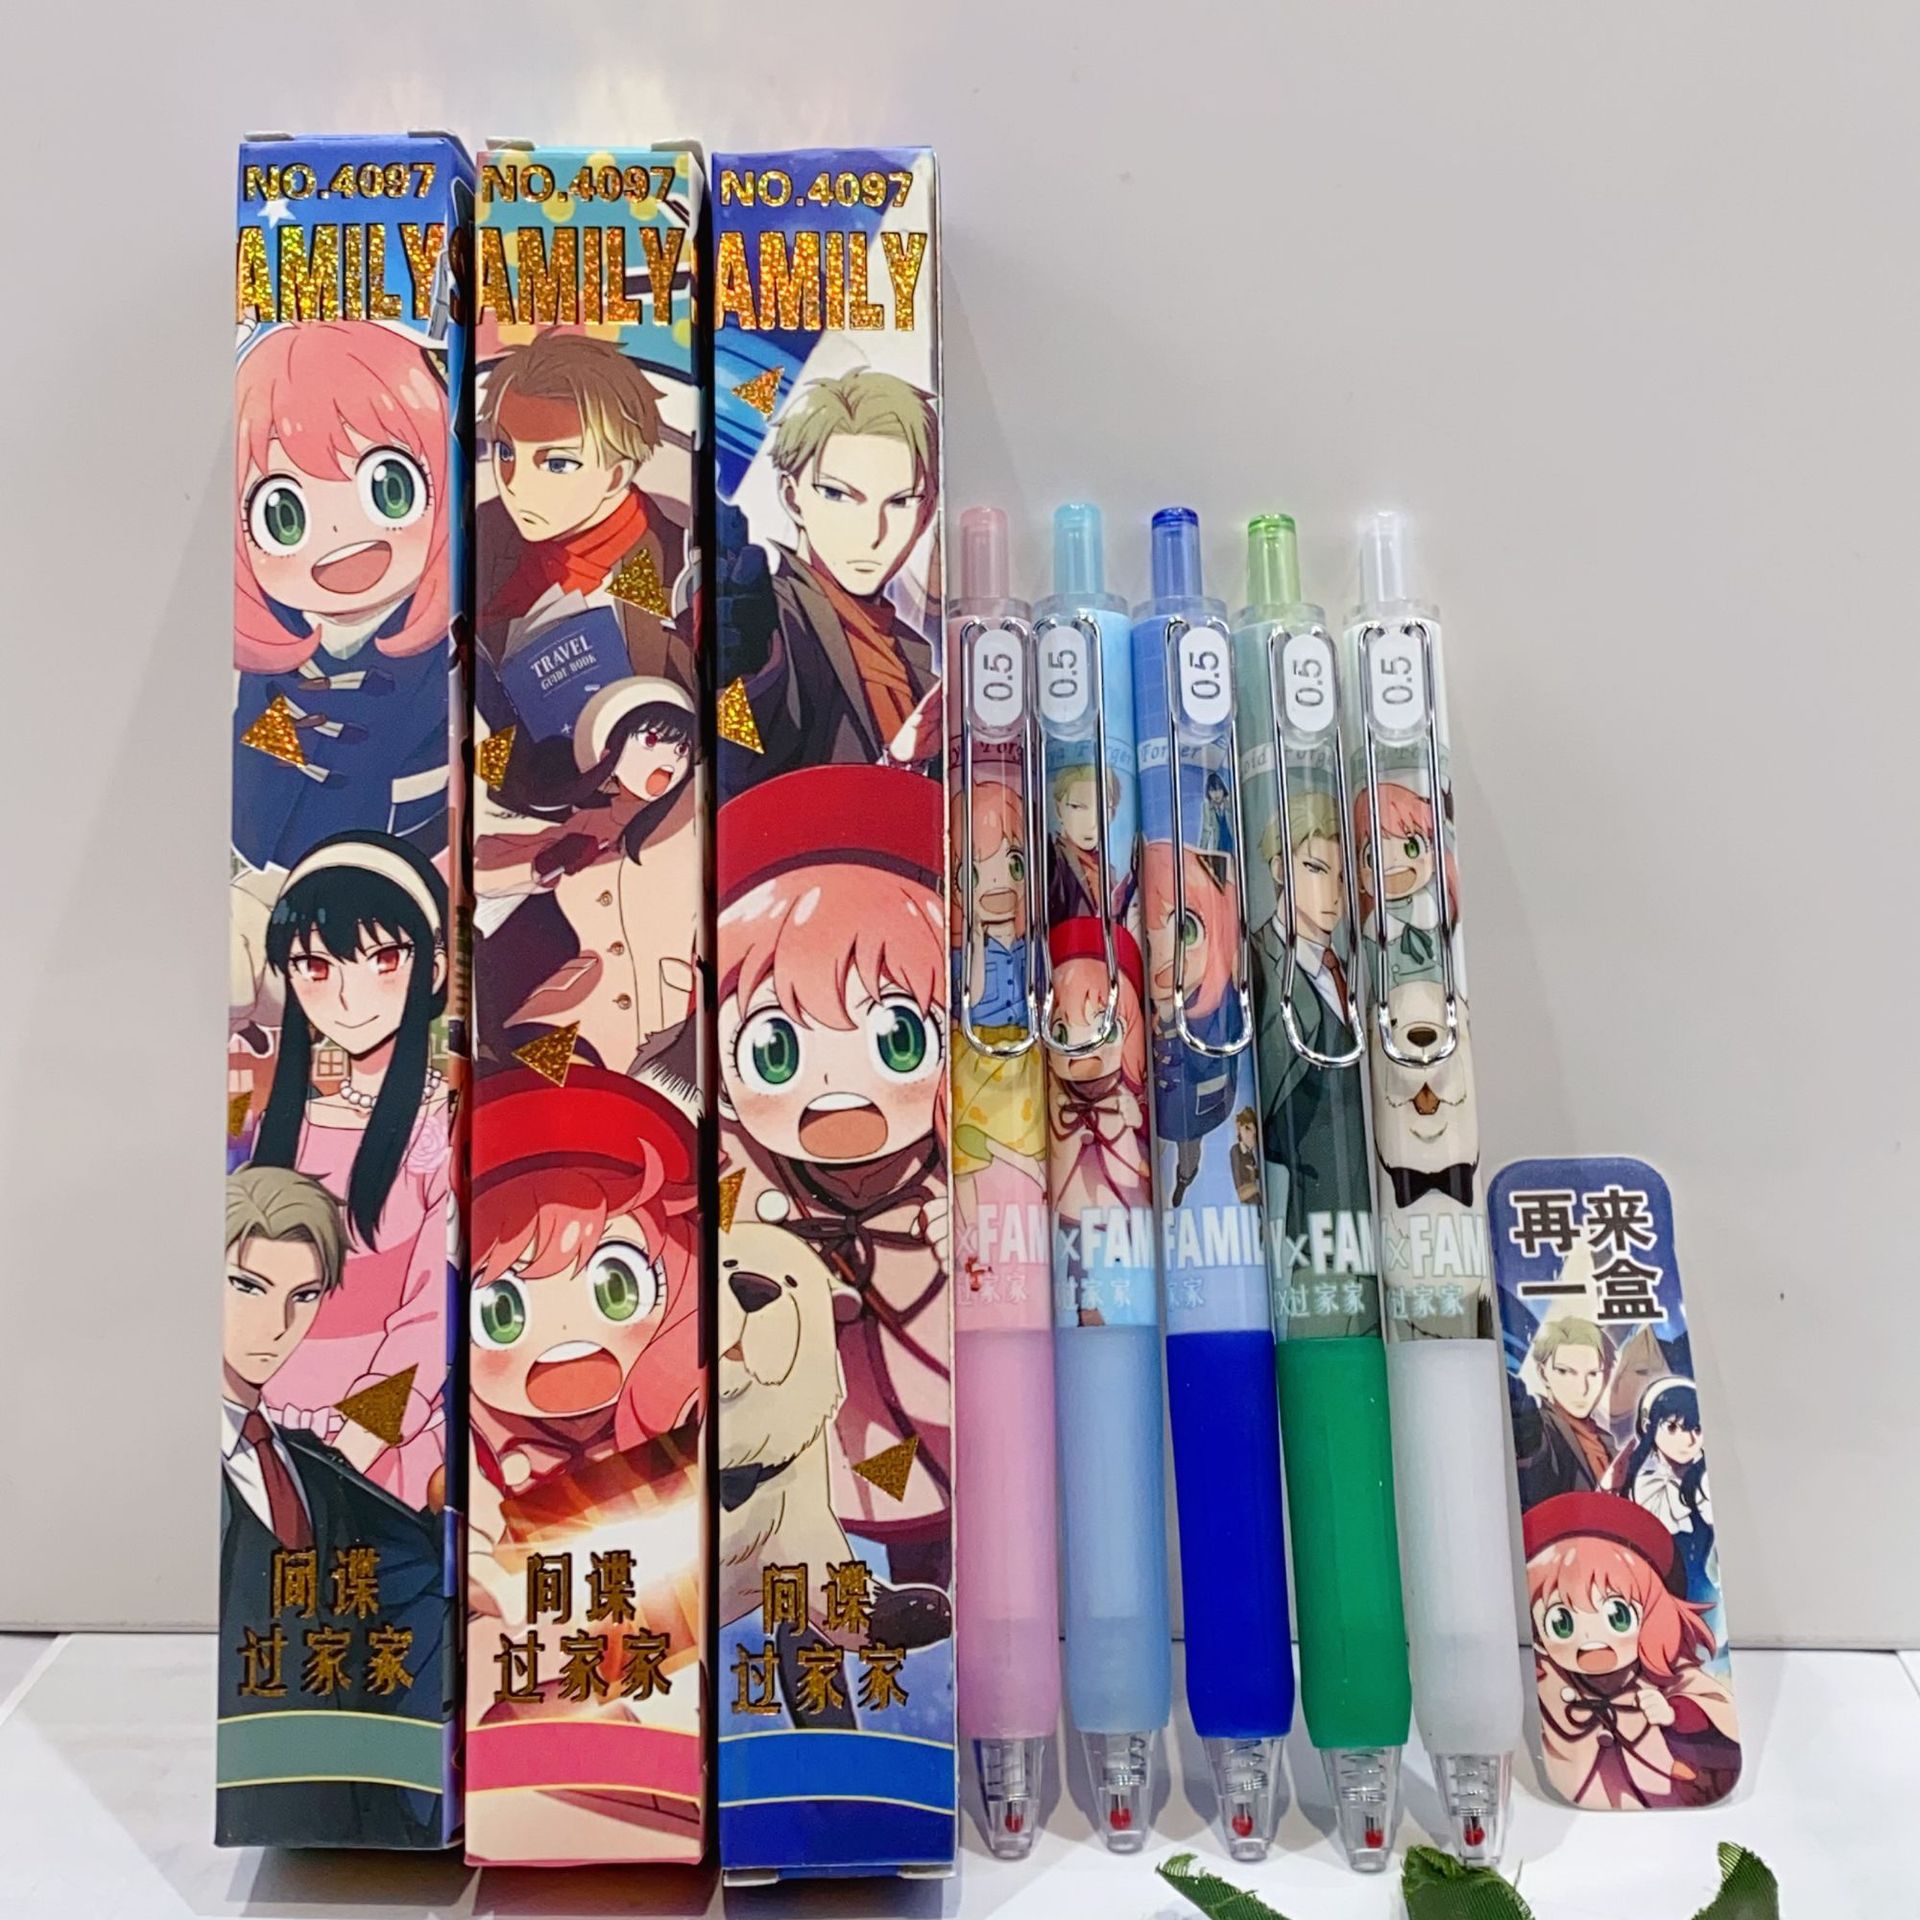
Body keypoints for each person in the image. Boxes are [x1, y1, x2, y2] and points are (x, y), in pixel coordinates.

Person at [716, 764, 952, 1589]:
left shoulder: (961, 1157)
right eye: (775, 1051)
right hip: (802, 1444)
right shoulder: (737, 1163)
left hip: (945, 1405)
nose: (836, 1096)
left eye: (898, 1039)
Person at [218, 1166, 448, 1848]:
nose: (276, 1325)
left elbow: (413, 1573)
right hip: (264, 1781)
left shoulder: (314, 1464)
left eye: (304, 1296)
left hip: (354, 1790)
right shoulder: (222, 1469)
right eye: (247, 1286)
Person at [250, 832, 452, 1506]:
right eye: (315, 966)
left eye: (384, 959)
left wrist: (358, 1443)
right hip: (267, 1423)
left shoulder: (440, 1129)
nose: (347, 996)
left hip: (380, 1440)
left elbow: (429, 1312)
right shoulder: (281, 1125)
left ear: (433, 969)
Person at [233, 323, 453, 870]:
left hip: (403, 875)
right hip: (269, 872)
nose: (339, 534)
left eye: (390, 489)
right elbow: (252, 764)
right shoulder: (275, 642)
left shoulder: (446, 648)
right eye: (283, 516)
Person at [716, 371, 940, 787]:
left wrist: (904, 761)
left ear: (926, 511)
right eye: (838, 495)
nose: (872, 532)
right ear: (792, 497)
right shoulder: (776, 619)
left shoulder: (913, 657)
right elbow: (747, 762)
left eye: (901, 501)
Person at [473, 679, 699, 1071]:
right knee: (539, 1086)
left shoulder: (690, 813)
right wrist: (543, 864)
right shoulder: (584, 824)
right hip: (583, 1005)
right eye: (650, 740)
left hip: (669, 1011)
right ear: (610, 753)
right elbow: (482, 868)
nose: (668, 761)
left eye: (681, 748)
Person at [476, 331, 687, 681]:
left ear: (616, 476)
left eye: (557, 463)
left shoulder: (679, 567)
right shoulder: (483, 533)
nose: (515, 485)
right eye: (506, 452)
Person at [1523, 1492, 1740, 1810]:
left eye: (1618, 1617)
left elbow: (1713, 1704)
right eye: (1562, 1624)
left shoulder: (1667, 1670)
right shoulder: (1550, 1678)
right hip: (1579, 1783)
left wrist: (1675, 1712)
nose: (1591, 1643)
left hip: (1664, 1783)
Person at [1045, 919, 1151, 1327]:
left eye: (1104, 1030)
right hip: (1072, 1205)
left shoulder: (1126, 1100)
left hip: (1120, 1207)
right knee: (1073, 1257)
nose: (1083, 1052)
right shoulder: (1055, 1101)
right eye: (1062, 1031)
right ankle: (1083, 1309)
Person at [1142, 818, 1242, 1207]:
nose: (1165, 957)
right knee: (1155, 1143)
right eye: (1148, 943)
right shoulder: (1144, 1003)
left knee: (1188, 1144)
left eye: (1185, 932)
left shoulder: (1220, 1001)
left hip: (1197, 1097)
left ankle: (1185, 1179)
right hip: (1157, 1102)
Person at [1607, 1376, 1716, 1604]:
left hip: (1699, 1597)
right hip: (1642, 1594)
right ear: (1649, 1426)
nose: (1688, 1440)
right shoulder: (1633, 1476)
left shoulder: (1705, 1481)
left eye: (1697, 1429)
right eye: (1673, 1428)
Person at [1511, 1318, 1616, 1508]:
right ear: (1543, 1373)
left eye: (1593, 1374)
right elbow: (1536, 1468)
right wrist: (1528, 1437)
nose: (1582, 1388)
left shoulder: (1605, 1441)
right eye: (1565, 1372)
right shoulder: (1544, 1429)